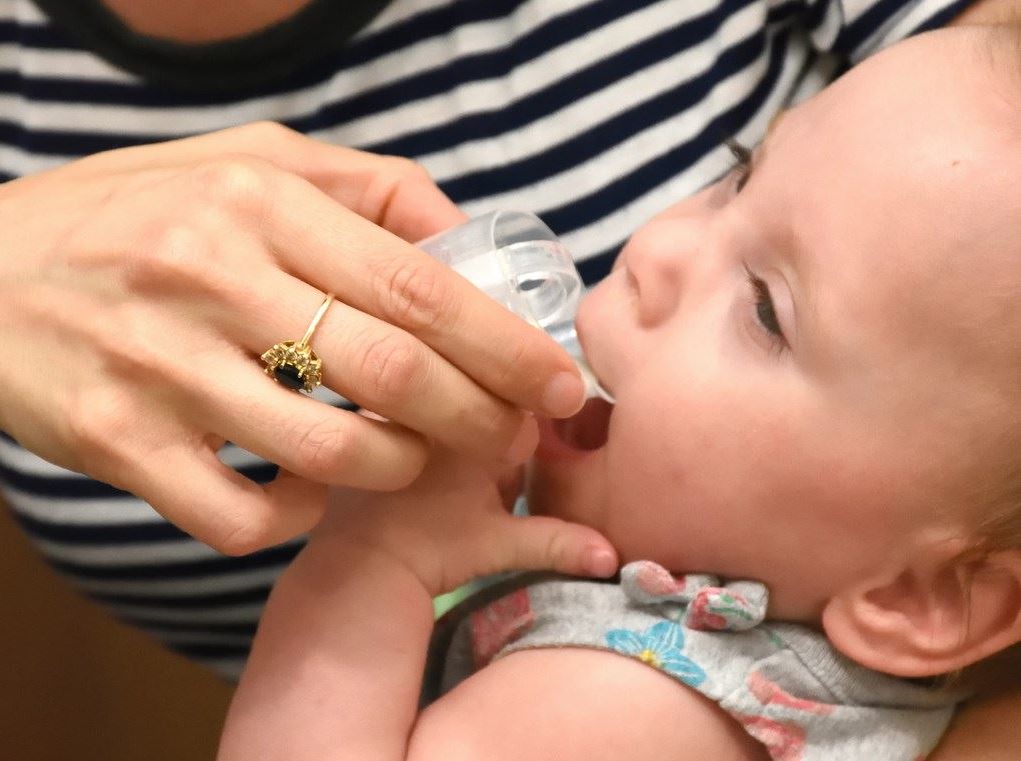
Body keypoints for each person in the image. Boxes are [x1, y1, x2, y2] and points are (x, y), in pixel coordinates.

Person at [216, 25, 1021, 760]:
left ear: (921, 599)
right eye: (739, 175)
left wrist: (368, 559)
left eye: (766, 310)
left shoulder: (624, 709)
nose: (655, 249)